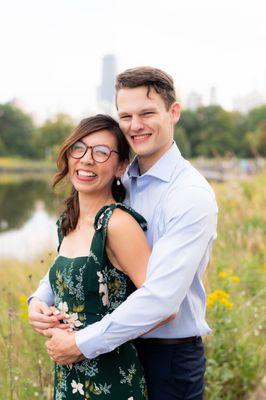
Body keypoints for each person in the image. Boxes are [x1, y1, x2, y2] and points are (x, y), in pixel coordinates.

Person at [29, 67, 218, 400]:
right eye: (126, 115)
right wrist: (40, 297)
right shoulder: (118, 181)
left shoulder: (190, 195)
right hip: (112, 350)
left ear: (173, 112)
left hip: (167, 358)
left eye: (146, 113)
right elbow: (84, 249)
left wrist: (80, 344)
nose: (134, 125)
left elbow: (161, 299)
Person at [29, 114, 152, 399]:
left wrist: (83, 342)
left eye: (101, 152)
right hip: (69, 378)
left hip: (110, 380)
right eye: (78, 148)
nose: (86, 159)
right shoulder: (68, 221)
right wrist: (37, 304)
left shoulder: (117, 223)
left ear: (120, 165)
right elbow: (63, 281)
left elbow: (156, 302)